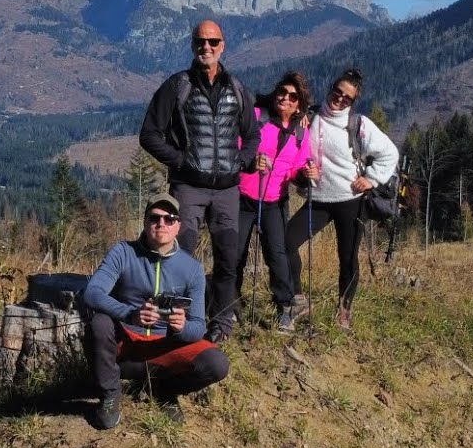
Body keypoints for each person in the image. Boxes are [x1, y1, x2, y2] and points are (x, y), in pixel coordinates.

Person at [139, 20, 258, 344]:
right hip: (188, 188)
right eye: (200, 42)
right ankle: (176, 325)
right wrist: (180, 161)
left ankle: (221, 325)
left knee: (228, 258)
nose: (206, 47)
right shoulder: (177, 86)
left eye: (213, 42)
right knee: (181, 255)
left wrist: (242, 162)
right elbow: (149, 134)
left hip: (227, 191)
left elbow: (252, 135)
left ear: (223, 45)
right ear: (192, 45)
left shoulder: (237, 88)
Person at [81, 192, 230, 430]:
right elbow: (92, 293)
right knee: (99, 322)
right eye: (154, 218)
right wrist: (130, 314)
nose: (161, 224)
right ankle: (110, 395)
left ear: (178, 226)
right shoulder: (123, 252)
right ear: (145, 222)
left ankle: (164, 391)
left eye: (169, 219)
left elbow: (198, 326)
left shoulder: (192, 269)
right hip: (126, 349)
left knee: (217, 363)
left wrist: (180, 328)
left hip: (166, 349)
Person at [290, 68, 399, 330]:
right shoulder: (310, 117)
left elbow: (389, 153)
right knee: (285, 242)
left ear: (352, 102)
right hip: (319, 199)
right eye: (337, 92)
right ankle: (297, 298)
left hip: (351, 200)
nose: (339, 99)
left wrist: (371, 178)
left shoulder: (359, 125)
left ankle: (344, 310)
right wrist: (304, 173)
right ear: (330, 89)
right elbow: (295, 152)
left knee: (348, 257)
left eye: (347, 98)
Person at [236, 71, 314, 333]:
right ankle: (230, 306)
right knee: (235, 253)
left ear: (299, 105)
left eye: (293, 96)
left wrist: (307, 174)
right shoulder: (257, 117)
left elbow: (297, 169)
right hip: (243, 197)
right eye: (282, 92)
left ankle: (285, 307)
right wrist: (250, 163)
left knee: (277, 256)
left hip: (275, 201)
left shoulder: (301, 134)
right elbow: (235, 148)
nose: (286, 98)